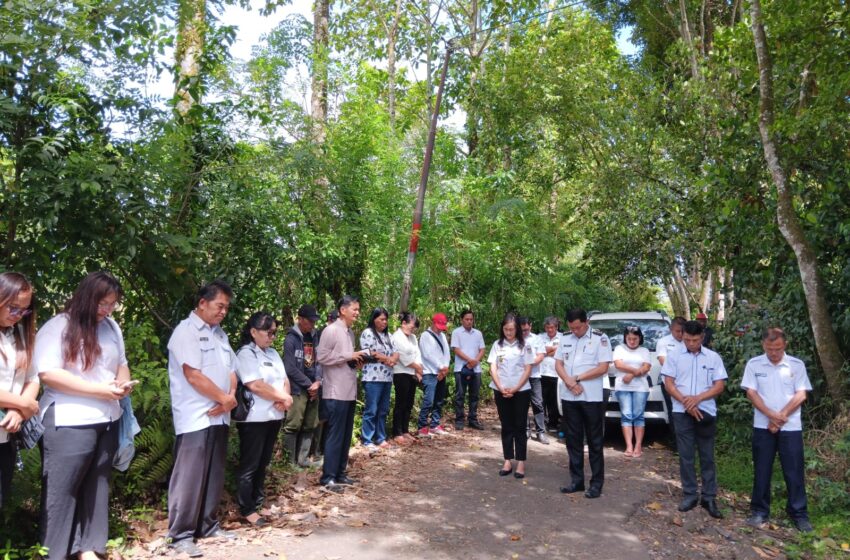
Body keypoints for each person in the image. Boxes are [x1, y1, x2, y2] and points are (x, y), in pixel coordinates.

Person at [35, 271, 134, 560]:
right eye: (102, 304)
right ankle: (54, 553)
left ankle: (89, 548)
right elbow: (49, 374)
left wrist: (121, 385)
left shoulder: (112, 327)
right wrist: (98, 391)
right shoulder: (58, 327)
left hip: (107, 418)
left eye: (112, 304)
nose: (106, 310)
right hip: (69, 420)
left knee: (98, 484)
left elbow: (122, 364)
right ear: (85, 298)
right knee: (62, 491)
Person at [166, 280, 238, 557]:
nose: (223, 312)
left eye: (226, 308)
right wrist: (223, 399)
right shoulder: (186, 332)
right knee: (190, 475)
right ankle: (181, 534)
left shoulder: (220, 335)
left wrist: (229, 396)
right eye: (219, 306)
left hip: (220, 415)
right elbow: (192, 374)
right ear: (202, 303)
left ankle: (207, 525)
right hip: (196, 415)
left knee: (213, 473)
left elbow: (232, 368)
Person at [741, 328, 813, 532]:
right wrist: (771, 416)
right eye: (770, 349)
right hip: (763, 426)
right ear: (764, 345)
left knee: (794, 471)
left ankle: (799, 514)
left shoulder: (796, 365)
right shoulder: (754, 364)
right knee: (762, 469)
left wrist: (780, 417)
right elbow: (751, 393)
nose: (774, 353)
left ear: (785, 345)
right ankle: (759, 512)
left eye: (778, 349)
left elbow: (801, 395)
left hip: (791, 427)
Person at [662, 320, 727, 519]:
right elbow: (669, 383)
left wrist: (698, 399)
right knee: (686, 455)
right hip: (682, 413)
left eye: (695, 340)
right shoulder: (674, 356)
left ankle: (709, 497)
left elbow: (719, 385)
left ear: (703, 337)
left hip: (706, 410)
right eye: (687, 339)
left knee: (707, 456)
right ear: (682, 336)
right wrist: (686, 403)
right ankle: (690, 494)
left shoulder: (713, 357)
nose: (691, 343)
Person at [235, 312, 293, 526]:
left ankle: (258, 502)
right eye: (268, 332)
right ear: (253, 332)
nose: (272, 337)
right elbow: (255, 385)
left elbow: (284, 378)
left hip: (274, 415)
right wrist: (284, 398)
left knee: (263, 462)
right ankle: (246, 508)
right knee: (250, 463)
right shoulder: (245, 354)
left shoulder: (273, 353)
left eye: (275, 333)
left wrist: (284, 398)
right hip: (254, 418)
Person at [555, 308, 612, 499]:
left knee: (595, 441)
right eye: (572, 328)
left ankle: (596, 483)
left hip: (591, 398)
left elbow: (603, 367)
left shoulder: (600, 338)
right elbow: (558, 364)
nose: (575, 331)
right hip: (570, 397)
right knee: (573, 440)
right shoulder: (565, 338)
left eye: (578, 327)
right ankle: (576, 480)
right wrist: (569, 382)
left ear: (586, 322)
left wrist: (577, 378)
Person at [316, 296, 369, 492]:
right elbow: (321, 357)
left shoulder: (350, 333)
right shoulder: (331, 330)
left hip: (349, 390)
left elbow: (345, 359)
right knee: (335, 436)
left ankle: (340, 473)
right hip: (335, 391)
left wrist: (356, 360)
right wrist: (349, 356)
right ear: (342, 310)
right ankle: (328, 477)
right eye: (354, 309)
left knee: (346, 436)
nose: (357, 312)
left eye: (358, 309)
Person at [0, 272, 39, 508]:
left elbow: (32, 377)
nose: (17, 316)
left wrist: (19, 411)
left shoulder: (20, 333)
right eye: (13, 308)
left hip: (6, 435)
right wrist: (23, 404)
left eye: (23, 310)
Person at [489, 314, 535, 479]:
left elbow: (528, 369)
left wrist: (515, 388)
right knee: (506, 425)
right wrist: (501, 387)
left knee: (519, 426)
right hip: (501, 390)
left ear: (517, 329)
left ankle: (521, 461)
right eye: (506, 329)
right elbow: (493, 367)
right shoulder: (497, 345)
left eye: (512, 329)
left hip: (521, 391)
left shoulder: (525, 346)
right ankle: (507, 460)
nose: (509, 332)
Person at [282, 304, 322, 467]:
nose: (312, 324)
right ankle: (289, 463)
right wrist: (308, 384)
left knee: (310, 424)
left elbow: (320, 361)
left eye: (314, 321)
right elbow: (289, 368)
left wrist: (318, 382)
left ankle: (303, 460)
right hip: (298, 388)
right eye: (310, 321)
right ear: (300, 319)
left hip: (314, 387)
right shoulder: (291, 339)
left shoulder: (314, 337)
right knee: (293, 424)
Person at [359, 307, 398, 451]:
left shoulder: (389, 336)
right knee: (372, 409)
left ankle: (380, 437)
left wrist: (392, 359)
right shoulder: (367, 333)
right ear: (374, 319)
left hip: (387, 377)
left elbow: (396, 352)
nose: (384, 322)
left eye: (386, 319)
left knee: (383, 409)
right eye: (381, 319)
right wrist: (387, 359)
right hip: (372, 378)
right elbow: (369, 352)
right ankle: (367, 439)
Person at [612, 326, 651, 458]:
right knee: (627, 415)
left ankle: (638, 445)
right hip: (623, 387)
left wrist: (631, 375)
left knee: (638, 415)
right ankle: (629, 445)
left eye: (635, 338)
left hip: (640, 387)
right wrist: (635, 371)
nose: (632, 341)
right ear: (625, 338)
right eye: (629, 338)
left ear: (640, 338)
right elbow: (618, 365)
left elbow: (646, 367)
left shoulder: (644, 350)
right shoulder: (619, 349)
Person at [451, 310, 486, 431]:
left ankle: (473, 419)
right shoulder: (456, 332)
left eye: (471, 319)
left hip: (476, 369)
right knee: (460, 395)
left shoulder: (478, 333)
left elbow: (482, 349)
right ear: (462, 320)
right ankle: (459, 420)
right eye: (467, 319)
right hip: (461, 368)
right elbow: (456, 349)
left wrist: (475, 361)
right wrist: (469, 360)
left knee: (474, 395)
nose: (469, 321)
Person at [391, 312, 423, 443]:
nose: (412, 330)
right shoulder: (396, 337)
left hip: (412, 373)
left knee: (409, 403)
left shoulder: (413, 338)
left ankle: (405, 430)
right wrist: (418, 368)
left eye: (414, 328)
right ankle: (397, 431)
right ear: (403, 323)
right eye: (411, 327)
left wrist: (418, 370)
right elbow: (403, 357)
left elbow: (417, 354)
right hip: (401, 373)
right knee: (401, 403)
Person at [417, 313, 451, 437]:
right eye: (438, 325)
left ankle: (435, 424)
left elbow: (447, 352)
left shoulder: (442, 336)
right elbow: (427, 354)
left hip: (442, 372)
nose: (439, 328)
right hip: (429, 372)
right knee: (428, 400)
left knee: (439, 400)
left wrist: (445, 368)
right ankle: (422, 426)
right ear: (433, 323)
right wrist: (440, 367)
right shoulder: (425, 336)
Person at [657, 316, 686, 446]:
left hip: (686, 383)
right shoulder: (663, 342)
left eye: (682, 331)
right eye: (677, 331)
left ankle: (687, 441)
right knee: (673, 411)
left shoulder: (689, 341)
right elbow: (663, 361)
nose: (680, 334)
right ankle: (676, 443)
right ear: (671, 329)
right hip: (670, 383)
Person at [518, 317, 547, 444]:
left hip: (534, 376)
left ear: (530, 326)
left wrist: (530, 363)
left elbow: (541, 355)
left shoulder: (537, 339)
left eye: (526, 329)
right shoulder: (515, 338)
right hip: (520, 376)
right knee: (522, 404)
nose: (524, 331)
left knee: (538, 403)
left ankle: (540, 432)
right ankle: (526, 429)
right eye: (522, 329)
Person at [538, 317, 562, 434]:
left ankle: (553, 423)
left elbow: (561, 352)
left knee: (553, 401)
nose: (550, 330)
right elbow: (539, 351)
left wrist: (546, 352)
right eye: (547, 327)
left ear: (556, 327)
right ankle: (542, 423)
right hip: (541, 373)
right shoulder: (540, 337)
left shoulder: (563, 337)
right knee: (541, 400)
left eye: (552, 327)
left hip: (556, 374)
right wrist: (553, 349)